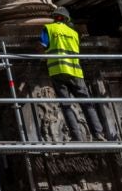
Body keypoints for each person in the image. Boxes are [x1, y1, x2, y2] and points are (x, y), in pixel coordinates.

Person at [41, 8, 111, 143]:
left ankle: (77, 137)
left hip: (58, 70)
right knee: (87, 103)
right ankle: (98, 134)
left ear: (54, 17)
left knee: (66, 105)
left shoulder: (48, 28)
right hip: (76, 72)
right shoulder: (74, 33)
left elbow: (43, 45)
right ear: (66, 19)